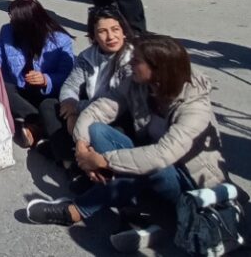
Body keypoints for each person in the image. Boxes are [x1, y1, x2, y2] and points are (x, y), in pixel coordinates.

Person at [24, 35, 228, 253]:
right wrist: (82, 147)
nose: (129, 63)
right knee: (96, 130)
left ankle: (76, 210)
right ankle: (136, 212)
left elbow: (161, 155)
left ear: (157, 68)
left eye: (136, 60)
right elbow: (98, 109)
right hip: (148, 164)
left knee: (154, 167)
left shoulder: (195, 107)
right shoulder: (137, 82)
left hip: (188, 184)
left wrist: (102, 161)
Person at [45, 8, 134, 186]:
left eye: (115, 29)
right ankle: (72, 164)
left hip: (118, 117)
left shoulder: (132, 59)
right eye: (102, 31)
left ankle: (96, 168)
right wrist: (70, 107)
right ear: (93, 36)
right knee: (49, 106)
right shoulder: (88, 57)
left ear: (124, 31)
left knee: (101, 132)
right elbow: (70, 86)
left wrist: (76, 110)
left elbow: (116, 103)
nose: (111, 37)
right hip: (88, 110)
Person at [0, 0, 74, 148]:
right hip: (19, 90)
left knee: (48, 105)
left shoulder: (61, 40)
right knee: (1, 87)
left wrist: (46, 80)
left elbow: (68, 76)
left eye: (15, 20)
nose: (11, 22)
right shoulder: (7, 31)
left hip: (46, 94)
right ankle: (39, 122)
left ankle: (34, 128)